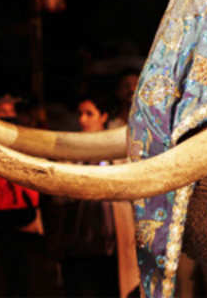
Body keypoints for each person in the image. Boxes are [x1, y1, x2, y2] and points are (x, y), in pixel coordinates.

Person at [57, 87, 139, 297]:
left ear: (103, 116)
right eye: (80, 114)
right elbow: (60, 193)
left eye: (89, 113)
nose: (83, 120)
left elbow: (131, 187)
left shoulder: (121, 149)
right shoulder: (70, 151)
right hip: (80, 240)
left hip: (113, 241)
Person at [0, 94, 52, 296]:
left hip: (28, 227)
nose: (9, 116)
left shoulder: (30, 142)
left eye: (12, 112)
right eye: (2, 112)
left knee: (29, 284)